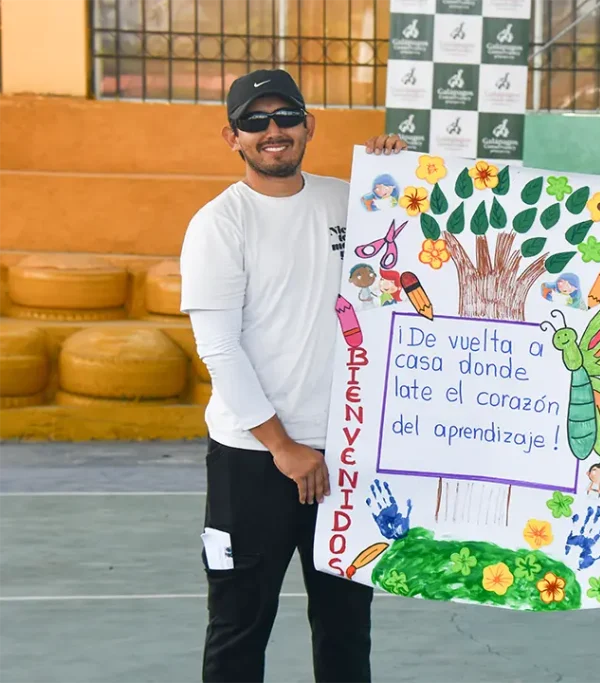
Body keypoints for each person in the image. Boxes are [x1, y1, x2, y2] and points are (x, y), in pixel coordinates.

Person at [178, 68, 407, 683]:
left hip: (347, 456)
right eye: (255, 122)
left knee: (345, 629)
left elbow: (421, 242)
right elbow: (219, 348)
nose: (272, 131)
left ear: (309, 124)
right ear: (233, 137)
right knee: (238, 627)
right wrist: (283, 446)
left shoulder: (350, 201)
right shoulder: (219, 224)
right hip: (253, 460)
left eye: (284, 117)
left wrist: (402, 172)